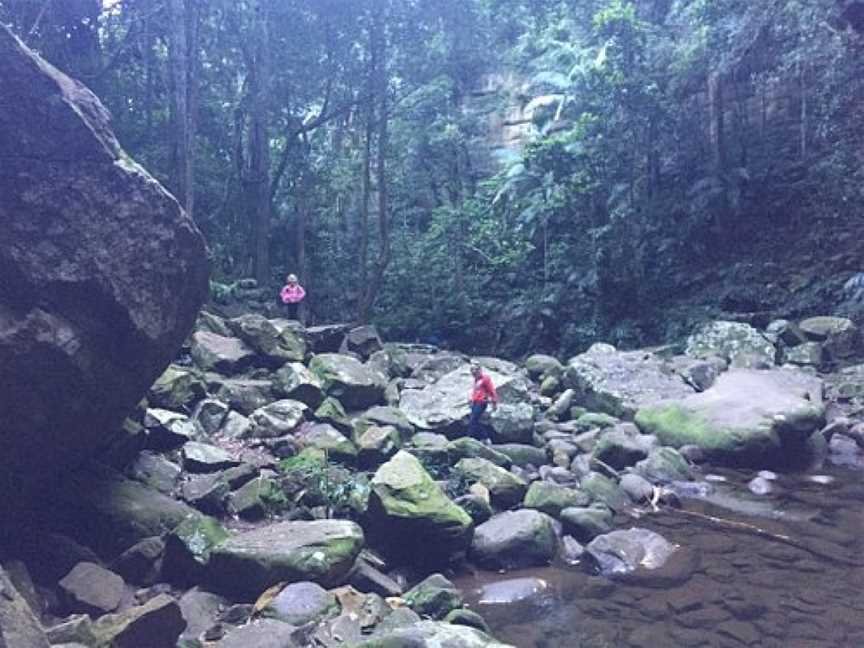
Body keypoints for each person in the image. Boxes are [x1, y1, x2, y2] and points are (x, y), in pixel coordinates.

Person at [468, 362, 498, 440]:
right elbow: (476, 391)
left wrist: (494, 402)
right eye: (472, 370)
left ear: (479, 370)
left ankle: (471, 437)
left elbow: (492, 391)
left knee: (473, 420)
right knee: (474, 420)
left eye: (475, 370)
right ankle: (482, 437)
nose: (474, 372)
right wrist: (472, 400)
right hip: (475, 402)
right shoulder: (476, 380)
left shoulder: (485, 379)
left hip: (482, 402)